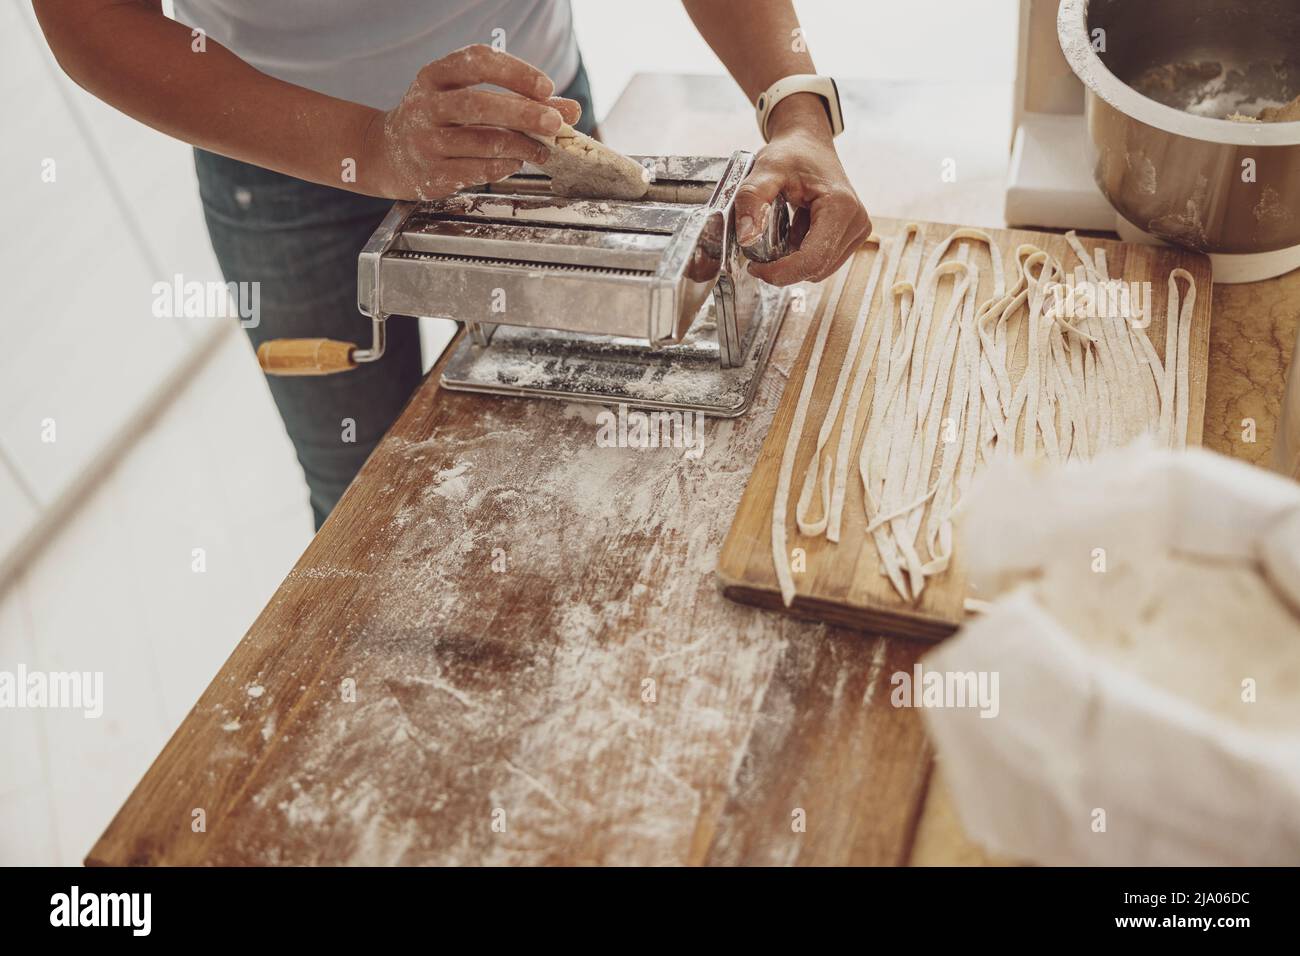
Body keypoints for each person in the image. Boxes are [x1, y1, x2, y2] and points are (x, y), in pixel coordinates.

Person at [35, 0, 871, 528]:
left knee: (584, 448)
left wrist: (795, 109)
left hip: (536, 119)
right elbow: (88, 15)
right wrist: (366, 145)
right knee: (365, 496)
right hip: (275, 145)